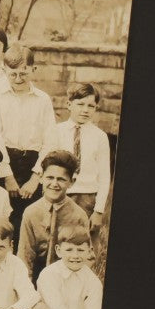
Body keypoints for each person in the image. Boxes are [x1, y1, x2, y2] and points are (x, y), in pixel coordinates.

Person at [0, 44, 56, 233]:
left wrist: (36, 177)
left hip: (33, 163)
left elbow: (50, 140)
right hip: (3, 162)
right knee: (1, 220)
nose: (18, 79)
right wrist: (7, 176)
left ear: (33, 69)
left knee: (28, 222)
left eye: (23, 74)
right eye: (13, 74)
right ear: (4, 70)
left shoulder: (43, 99)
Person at [37, 83, 112, 223]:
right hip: (58, 193)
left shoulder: (100, 136)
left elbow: (104, 176)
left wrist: (99, 211)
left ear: (96, 107)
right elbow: (45, 166)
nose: (85, 110)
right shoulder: (56, 131)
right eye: (80, 104)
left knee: (84, 240)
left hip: (88, 197)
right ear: (69, 104)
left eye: (91, 106)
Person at [29, 224, 103, 309]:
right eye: (69, 250)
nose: (75, 256)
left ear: (89, 251)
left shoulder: (93, 282)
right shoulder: (48, 275)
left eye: (80, 250)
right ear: (58, 250)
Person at [18, 150, 92, 279]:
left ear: (71, 182)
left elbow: (85, 256)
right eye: (50, 178)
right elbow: (25, 254)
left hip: (67, 275)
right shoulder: (31, 212)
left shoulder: (78, 215)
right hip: (36, 274)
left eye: (61, 179)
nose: (54, 184)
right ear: (41, 177)